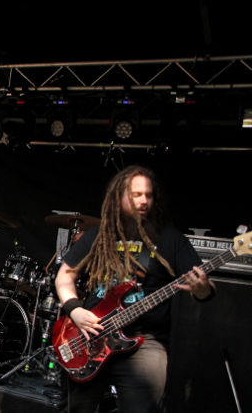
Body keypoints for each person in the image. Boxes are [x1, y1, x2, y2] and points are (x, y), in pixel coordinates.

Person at [54, 165, 215, 413]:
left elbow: (203, 288)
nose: (143, 201)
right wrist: (74, 309)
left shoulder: (170, 239)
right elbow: (64, 276)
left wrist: (202, 288)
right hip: (91, 335)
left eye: (148, 195)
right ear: (118, 198)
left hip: (145, 341)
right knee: (76, 408)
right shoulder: (99, 235)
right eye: (136, 195)